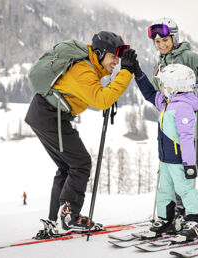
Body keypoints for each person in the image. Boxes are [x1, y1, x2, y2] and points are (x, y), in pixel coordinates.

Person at [25, 31, 137, 235]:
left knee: (67, 167)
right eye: (114, 57)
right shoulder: (83, 70)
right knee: (81, 163)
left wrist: (108, 89)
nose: (116, 62)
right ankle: (69, 217)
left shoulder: (89, 67)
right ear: (101, 53)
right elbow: (101, 99)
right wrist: (126, 72)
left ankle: (56, 220)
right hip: (50, 116)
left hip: (46, 115)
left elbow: (95, 94)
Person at [148, 18, 198, 217]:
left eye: (165, 39)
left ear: (174, 37)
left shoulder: (191, 57)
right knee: (175, 168)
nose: (162, 44)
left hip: (197, 123)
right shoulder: (159, 65)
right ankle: (182, 208)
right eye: (157, 42)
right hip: (172, 128)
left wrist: (196, 95)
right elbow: (160, 92)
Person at [134, 63, 198, 241]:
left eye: (165, 84)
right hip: (165, 159)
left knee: (185, 189)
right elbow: (150, 94)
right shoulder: (168, 102)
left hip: (179, 160)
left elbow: (188, 138)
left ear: (175, 86)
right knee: (164, 190)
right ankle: (166, 220)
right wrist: (138, 74)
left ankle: (196, 220)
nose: (162, 87)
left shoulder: (182, 106)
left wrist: (189, 165)